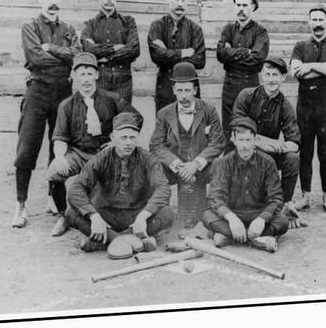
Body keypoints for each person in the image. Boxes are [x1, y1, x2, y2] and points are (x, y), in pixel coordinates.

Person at [12, 0, 80, 228]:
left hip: (63, 92)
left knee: (58, 147)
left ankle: (54, 198)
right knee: (28, 147)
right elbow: (36, 59)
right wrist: (59, 56)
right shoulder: (29, 26)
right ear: (40, 0)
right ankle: (21, 204)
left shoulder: (68, 30)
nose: (53, 2)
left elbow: (76, 55)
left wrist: (51, 48)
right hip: (38, 90)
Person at [46, 52, 140, 236]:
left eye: (90, 74)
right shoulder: (67, 105)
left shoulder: (111, 99)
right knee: (54, 172)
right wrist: (58, 157)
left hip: (105, 153)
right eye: (82, 74)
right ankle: (63, 215)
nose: (86, 79)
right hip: (79, 153)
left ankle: (108, 219)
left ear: (97, 75)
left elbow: (136, 118)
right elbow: (60, 137)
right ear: (74, 76)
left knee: (104, 191)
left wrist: (116, 141)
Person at [66, 112, 174, 253]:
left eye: (132, 138)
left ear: (137, 138)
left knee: (166, 213)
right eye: (123, 138)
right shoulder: (101, 158)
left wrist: (143, 216)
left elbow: (163, 188)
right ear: (113, 137)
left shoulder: (148, 158)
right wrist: (94, 217)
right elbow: (77, 188)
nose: (128, 143)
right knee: (71, 213)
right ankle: (133, 242)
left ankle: (106, 242)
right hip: (106, 213)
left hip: (136, 215)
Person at [149, 62, 224, 231]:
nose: (184, 96)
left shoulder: (208, 110)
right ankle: (160, 214)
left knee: (222, 166)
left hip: (201, 167)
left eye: (188, 90)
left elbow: (217, 142)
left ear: (195, 90)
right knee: (153, 168)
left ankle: (215, 212)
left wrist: (196, 163)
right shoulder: (164, 113)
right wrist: (177, 165)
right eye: (180, 90)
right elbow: (156, 145)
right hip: (174, 167)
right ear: (174, 90)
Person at [232, 57, 304, 228]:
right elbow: (236, 127)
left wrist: (273, 146)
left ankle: (285, 204)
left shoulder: (285, 106)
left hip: (268, 155)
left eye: (276, 75)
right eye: (268, 74)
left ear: (283, 78)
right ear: (262, 75)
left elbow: (294, 142)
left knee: (292, 159)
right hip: (244, 150)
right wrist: (264, 141)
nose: (271, 79)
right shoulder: (247, 95)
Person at [290, 4, 326, 213]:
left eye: (320, 19)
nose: (317, 24)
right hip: (305, 105)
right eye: (313, 20)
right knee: (305, 151)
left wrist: (311, 66)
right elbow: (296, 71)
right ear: (309, 23)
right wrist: (325, 71)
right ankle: (305, 196)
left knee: (325, 152)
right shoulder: (299, 46)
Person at [203, 117, 289, 252]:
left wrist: (262, 219)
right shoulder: (224, 163)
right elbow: (214, 198)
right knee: (207, 216)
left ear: (255, 140)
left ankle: (228, 237)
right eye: (241, 140)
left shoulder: (268, 162)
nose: (244, 146)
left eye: (248, 140)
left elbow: (276, 198)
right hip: (233, 214)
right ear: (234, 140)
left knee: (283, 221)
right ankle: (256, 239)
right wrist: (231, 218)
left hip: (258, 213)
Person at [216, 0, 269, 146]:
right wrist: (245, 52)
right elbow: (220, 54)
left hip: (250, 87)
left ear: (252, 7)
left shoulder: (260, 32)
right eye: (238, 5)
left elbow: (257, 58)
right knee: (229, 134)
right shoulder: (228, 29)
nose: (241, 9)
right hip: (229, 86)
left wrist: (230, 52)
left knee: (250, 132)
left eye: (245, 5)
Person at [148, 0, 206, 113]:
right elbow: (156, 56)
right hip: (165, 87)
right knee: (165, 127)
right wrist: (183, 53)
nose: (180, 3)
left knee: (190, 128)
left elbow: (200, 60)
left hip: (189, 87)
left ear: (188, 1)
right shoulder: (157, 26)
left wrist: (168, 53)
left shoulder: (195, 29)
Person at [80, 0, 140, 103]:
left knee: (123, 118)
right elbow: (88, 50)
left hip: (123, 80)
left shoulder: (128, 22)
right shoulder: (90, 24)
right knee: (102, 118)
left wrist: (105, 56)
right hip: (100, 80)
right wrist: (114, 48)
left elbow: (134, 49)